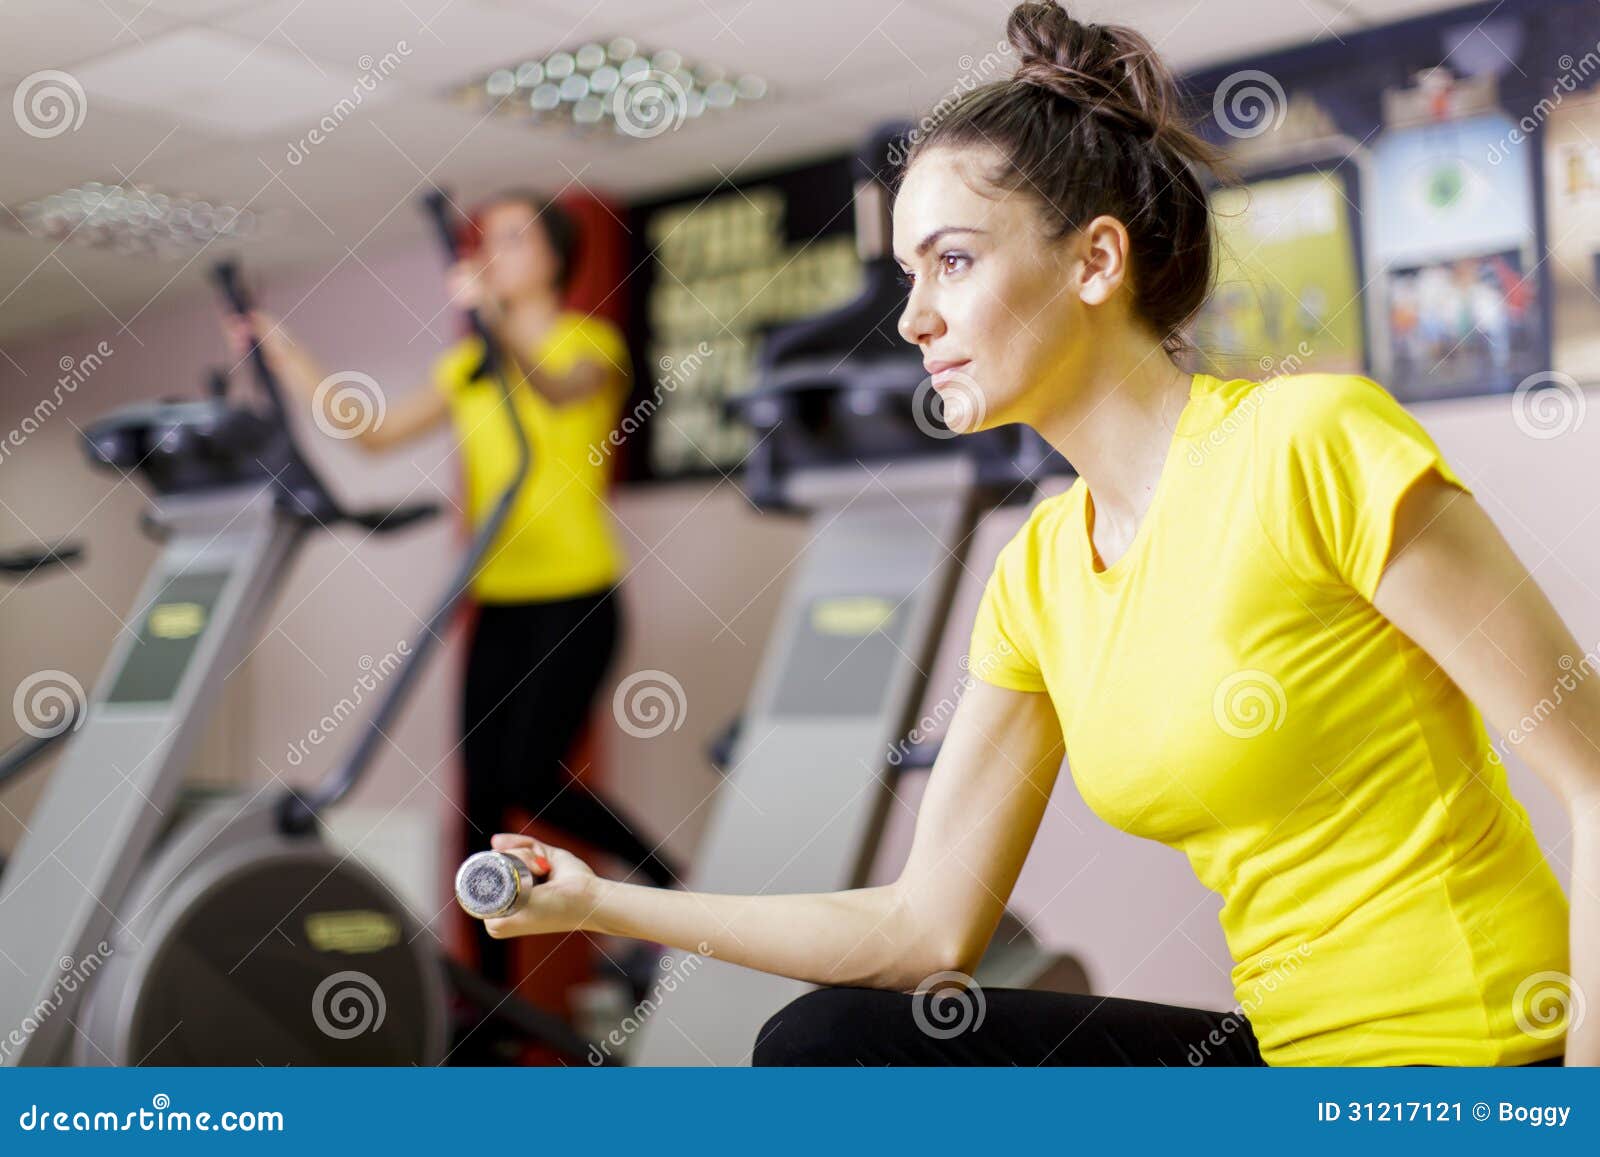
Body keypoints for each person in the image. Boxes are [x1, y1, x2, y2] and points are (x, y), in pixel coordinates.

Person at [473, 3, 1595, 1067]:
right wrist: (595, 899)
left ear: (1095, 261)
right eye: (909, 272)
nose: (913, 316)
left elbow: (1593, 782)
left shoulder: (1311, 441)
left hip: (1487, 1058)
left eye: (952, 261)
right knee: (830, 1048)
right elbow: (925, 926)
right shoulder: (1041, 572)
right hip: (1292, 1068)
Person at [223, 190, 678, 989]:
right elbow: (369, 433)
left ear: (553, 259)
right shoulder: (470, 362)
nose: (489, 252)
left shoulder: (591, 343)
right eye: (484, 239)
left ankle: (673, 886)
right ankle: (492, 1003)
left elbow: (558, 390)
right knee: (477, 800)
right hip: (496, 598)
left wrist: (492, 323)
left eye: (511, 238)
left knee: (530, 776)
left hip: (577, 597)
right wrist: (283, 350)